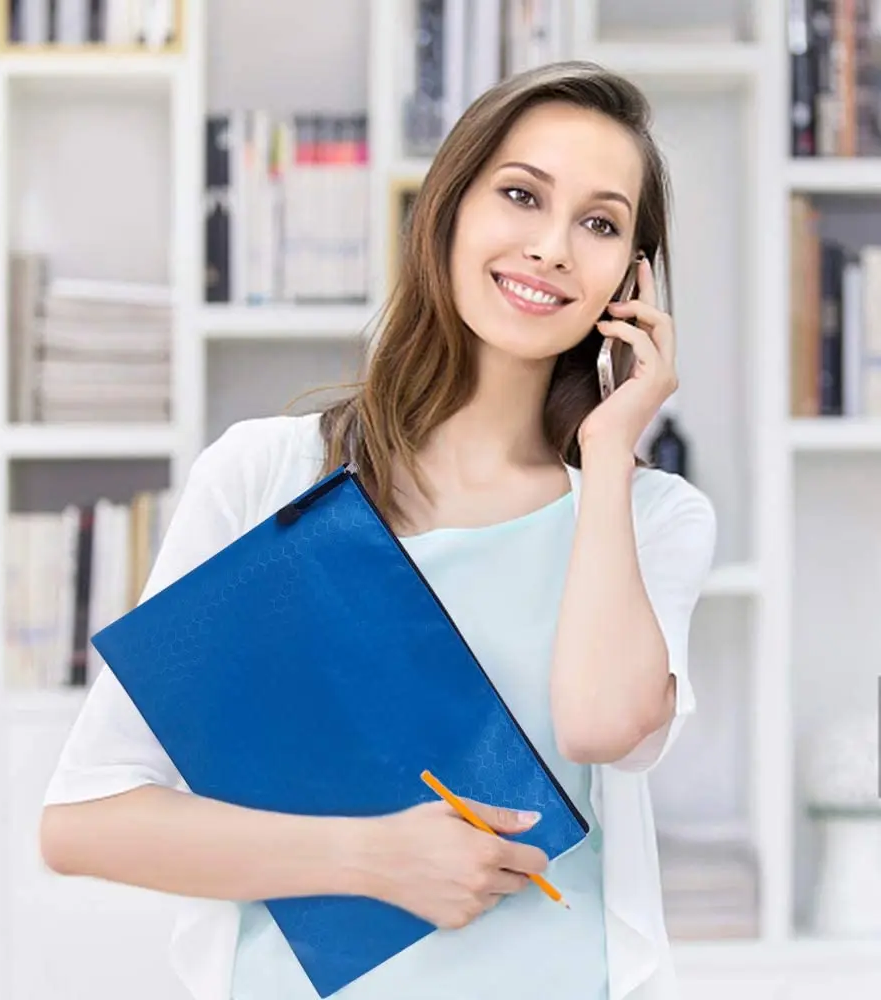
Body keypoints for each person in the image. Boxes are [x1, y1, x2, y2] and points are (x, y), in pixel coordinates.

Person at [39, 60, 716, 1000]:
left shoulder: (650, 516)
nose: (554, 247)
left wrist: (608, 453)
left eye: (600, 224)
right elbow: (83, 822)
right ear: (445, 212)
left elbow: (600, 726)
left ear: (632, 281)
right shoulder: (268, 476)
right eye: (521, 195)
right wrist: (370, 859)